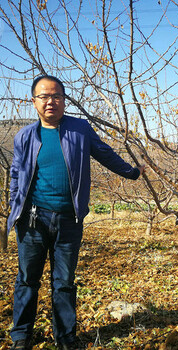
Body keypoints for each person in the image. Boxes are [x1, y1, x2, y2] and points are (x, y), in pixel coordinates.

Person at [7, 75, 146, 350]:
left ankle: (66, 338)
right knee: (26, 280)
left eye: (56, 96)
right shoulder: (25, 136)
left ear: (64, 100)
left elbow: (104, 153)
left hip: (69, 220)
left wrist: (132, 173)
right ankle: (21, 337)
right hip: (33, 220)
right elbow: (15, 174)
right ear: (33, 101)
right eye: (44, 96)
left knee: (64, 282)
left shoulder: (80, 130)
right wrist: (15, 205)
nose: (50, 101)